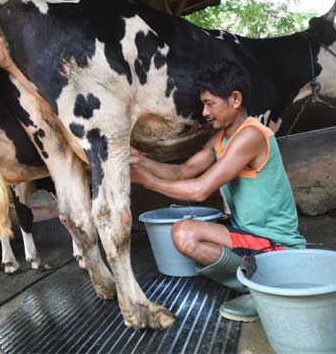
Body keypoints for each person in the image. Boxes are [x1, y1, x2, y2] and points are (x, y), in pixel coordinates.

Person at [130, 59, 306, 322]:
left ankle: (267, 290)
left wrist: (147, 181)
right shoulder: (221, 139)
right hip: (248, 232)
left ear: (235, 99)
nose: (204, 112)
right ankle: (263, 281)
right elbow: (182, 172)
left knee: (185, 233)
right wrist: (139, 160)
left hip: (276, 242)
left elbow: (200, 189)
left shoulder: (252, 135)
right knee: (190, 228)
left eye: (209, 103)